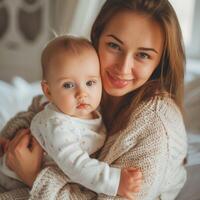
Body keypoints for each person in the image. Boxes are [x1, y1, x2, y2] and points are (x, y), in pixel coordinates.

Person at [0, 0, 187, 199]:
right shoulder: (92, 80)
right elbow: (41, 109)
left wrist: (33, 176)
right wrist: (9, 138)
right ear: (96, 38)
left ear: (160, 62)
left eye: (142, 55)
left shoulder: (155, 129)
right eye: (114, 46)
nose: (122, 69)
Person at [0, 36, 142, 198]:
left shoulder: (95, 110)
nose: (82, 93)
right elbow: (77, 165)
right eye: (68, 85)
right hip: (15, 181)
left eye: (90, 83)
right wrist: (116, 182)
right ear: (48, 91)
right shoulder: (56, 124)